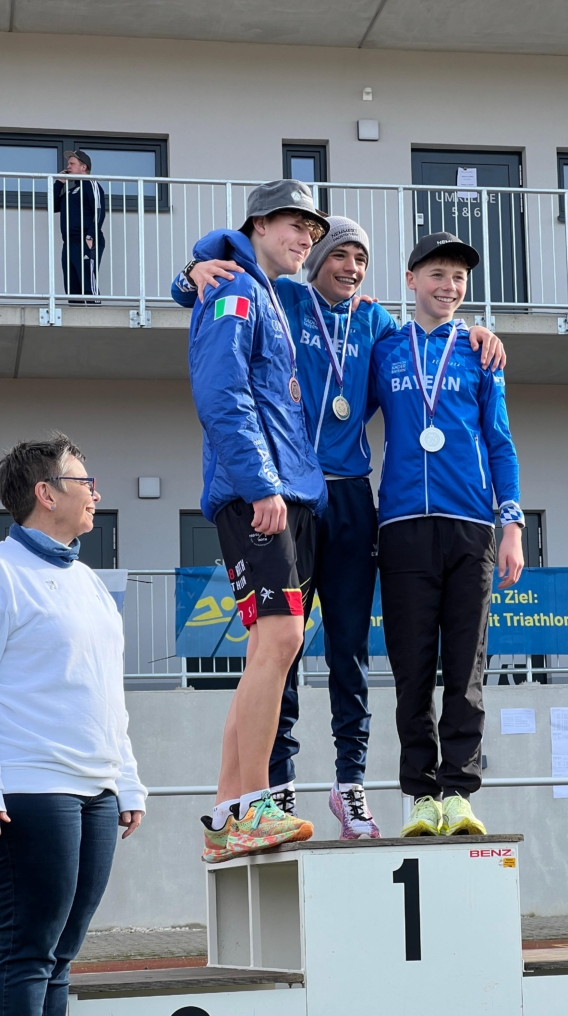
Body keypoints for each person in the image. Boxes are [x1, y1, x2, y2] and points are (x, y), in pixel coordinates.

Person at [173, 214, 506, 839]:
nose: (350, 268)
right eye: (339, 255)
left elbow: (430, 337)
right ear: (316, 257)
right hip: (293, 490)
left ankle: (350, 785)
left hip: (352, 494)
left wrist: (477, 334)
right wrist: (189, 274)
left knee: (350, 647)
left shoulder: (379, 324)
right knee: (283, 645)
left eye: (361, 258)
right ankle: (276, 784)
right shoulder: (284, 296)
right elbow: (218, 280)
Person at [188, 180, 330, 862]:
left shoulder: (269, 292)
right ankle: (252, 807)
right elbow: (221, 393)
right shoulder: (236, 290)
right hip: (260, 492)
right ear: (261, 223)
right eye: (296, 225)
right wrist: (260, 484)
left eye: (312, 227)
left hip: (285, 488)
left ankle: (226, 817)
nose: (308, 237)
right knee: (278, 640)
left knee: (270, 650)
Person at [369, 231, 524, 838]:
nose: (448, 286)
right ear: (411, 281)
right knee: (411, 667)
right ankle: (419, 796)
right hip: (403, 524)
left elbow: (501, 444)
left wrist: (510, 524)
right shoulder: (385, 349)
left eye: (458, 277)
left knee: (466, 667)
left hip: (472, 527)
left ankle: (459, 792)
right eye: (436, 274)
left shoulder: (481, 352)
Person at [0, 434, 146, 1016]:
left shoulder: (89, 583)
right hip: (34, 786)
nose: (95, 493)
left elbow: (109, 690)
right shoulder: (6, 573)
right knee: (27, 952)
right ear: (46, 493)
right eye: (84, 481)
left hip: (98, 790)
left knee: (62, 956)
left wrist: (127, 780)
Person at [53, 150, 106, 303]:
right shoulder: (71, 192)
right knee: (71, 285)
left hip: (86, 239)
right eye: (68, 164)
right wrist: (59, 183)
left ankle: (95, 313)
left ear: (83, 167)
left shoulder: (91, 184)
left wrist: (91, 235)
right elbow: (53, 206)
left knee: (87, 282)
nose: (68, 167)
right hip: (69, 243)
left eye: (72, 164)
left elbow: (99, 210)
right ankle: (75, 315)